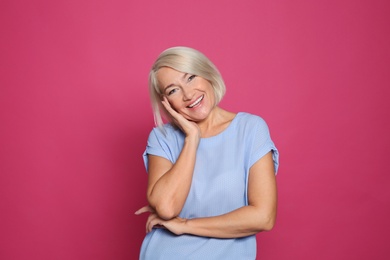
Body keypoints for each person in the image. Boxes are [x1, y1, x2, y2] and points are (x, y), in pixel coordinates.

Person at [135, 46, 279, 259]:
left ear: (207, 73)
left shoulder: (250, 129)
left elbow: (263, 217)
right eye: (173, 90)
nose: (188, 94)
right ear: (166, 102)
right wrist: (192, 138)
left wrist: (185, 225)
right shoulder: (162, 138)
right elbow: (166, 207)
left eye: (191, 77)